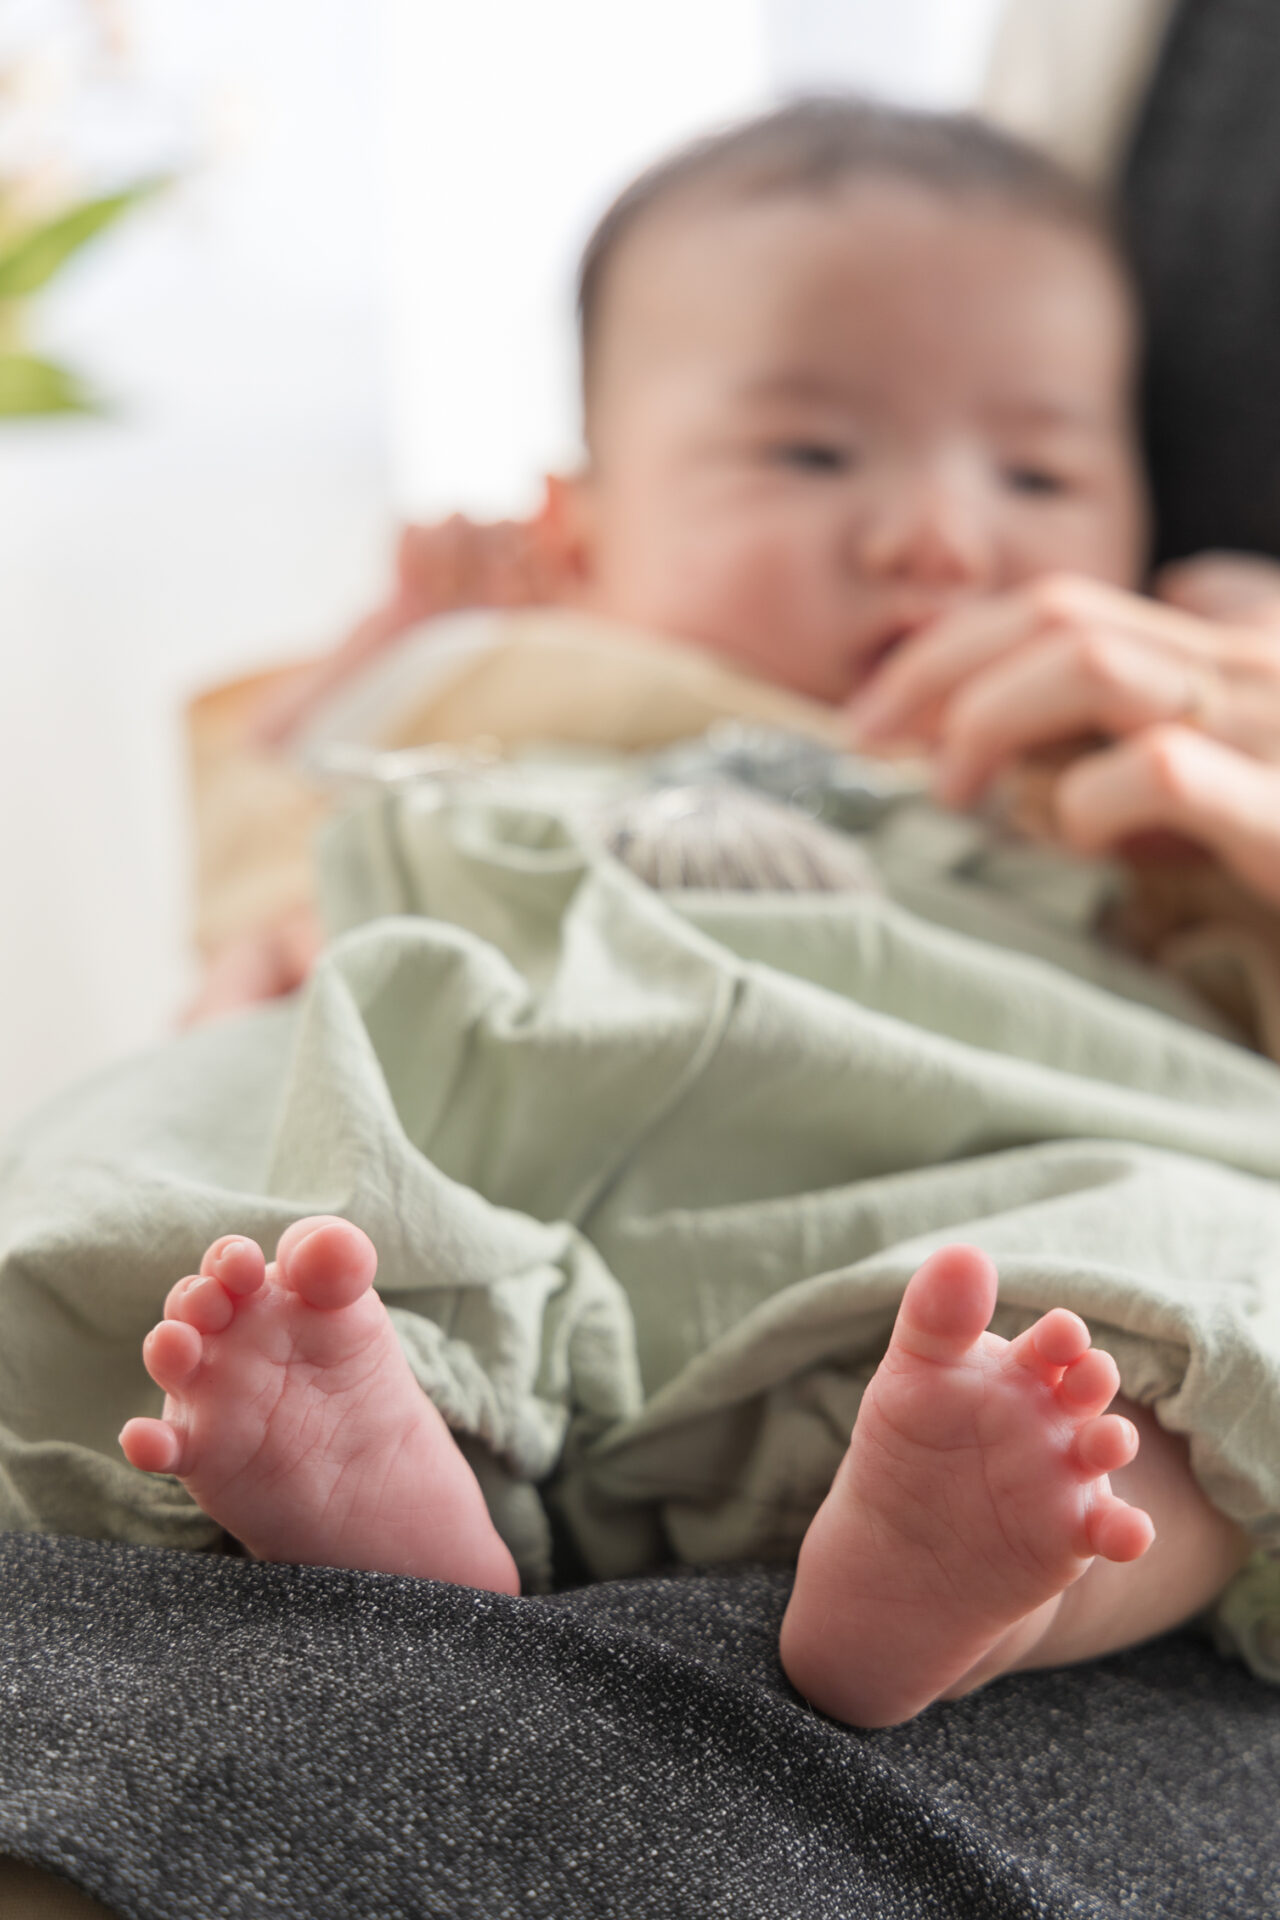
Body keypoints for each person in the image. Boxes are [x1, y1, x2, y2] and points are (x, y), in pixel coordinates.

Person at [121, 100, 1260, 1730]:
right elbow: (269, 857)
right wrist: (381, 652)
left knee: (1217, 1298)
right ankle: (392, 1467)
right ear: (581, 533)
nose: (942, 532)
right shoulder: (529, 680)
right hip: (565, 1197)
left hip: (981, 1252)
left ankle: (981, 1574)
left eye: (1040, 467)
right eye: (809, 452)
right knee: (248, 1157)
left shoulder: (1126, 750)